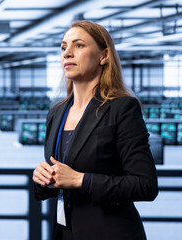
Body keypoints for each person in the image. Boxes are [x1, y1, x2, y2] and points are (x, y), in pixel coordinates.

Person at [32, 20, 158, 240]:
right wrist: (42, 179)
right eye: (63, 47)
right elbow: (59, 179)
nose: (67, 53)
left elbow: (145, 184)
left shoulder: (122, 108)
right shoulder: (57, 113)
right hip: (64, 233)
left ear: (104, 56)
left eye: (78, 45)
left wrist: (81, 180)